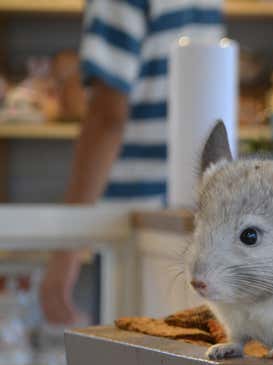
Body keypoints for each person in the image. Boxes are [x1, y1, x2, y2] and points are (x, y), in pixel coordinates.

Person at [39, 0, 224, 325]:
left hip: (127, 226)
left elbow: (107, 117)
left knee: (127, 360)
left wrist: (64, 254)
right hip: (189, 218)